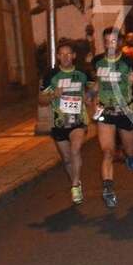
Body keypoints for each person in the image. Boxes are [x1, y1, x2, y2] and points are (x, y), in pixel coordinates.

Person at [91, 27, 133, 208]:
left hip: (125, 112)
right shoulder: (97, 61)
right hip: (106, 112)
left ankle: (131, 156)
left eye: (113, 41)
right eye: (106, 41)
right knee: (107, 152)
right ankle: (108, 189)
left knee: (129, 151)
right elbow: (96, 84)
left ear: (120, 43)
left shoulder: (129, 61)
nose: (109, 45)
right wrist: (91, 95)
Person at [39, 43, 91, 205]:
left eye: (69, 54)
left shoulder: (82, 73)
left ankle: (74, 186)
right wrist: (53, 95)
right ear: (58, 57)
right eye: (62, 54)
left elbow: (93, 88)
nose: (66, 57)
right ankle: (76, 182)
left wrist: (89, 97)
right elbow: (41, 100)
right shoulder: (51, 75)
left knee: (75, 150)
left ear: (74, 56)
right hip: (59, 123)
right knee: (67, 159)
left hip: (78, 121)